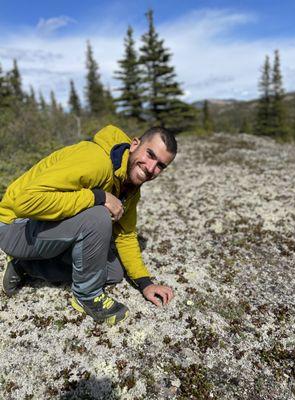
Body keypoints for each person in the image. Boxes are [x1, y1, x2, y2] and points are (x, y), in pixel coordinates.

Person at [0, 125, 176, 325]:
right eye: (150, 154)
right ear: (134, 144)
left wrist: (145, 283)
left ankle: (24, 265)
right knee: (98, 215)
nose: (151, 168)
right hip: (13, 226)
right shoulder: (97, 160)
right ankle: (86, 296)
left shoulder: (130, 186)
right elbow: (25, 202)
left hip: (43, 230)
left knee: (114, 271)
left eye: (160, 165)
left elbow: (125, 235)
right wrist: (98, 197)